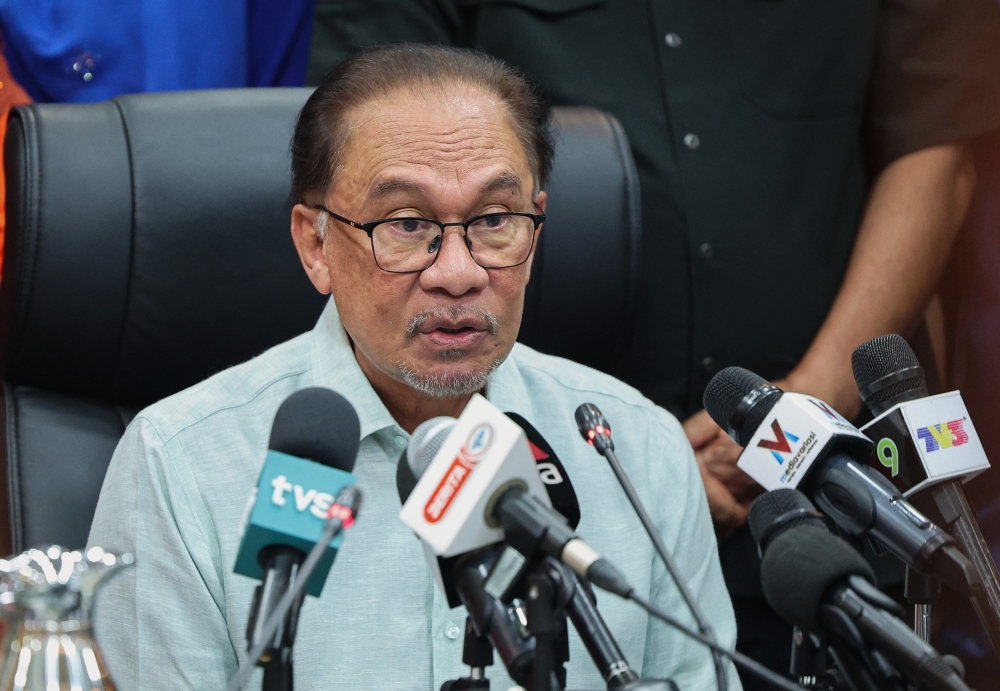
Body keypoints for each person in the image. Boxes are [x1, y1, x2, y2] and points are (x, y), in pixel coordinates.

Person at [307, 2, 1000, 681]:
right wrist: (622, 471)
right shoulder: (210, 463)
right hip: (551, 491)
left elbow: (938, 135)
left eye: (496, 221)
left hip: (825, 509)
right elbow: (381, 139)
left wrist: (794, 423)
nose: (456, 262)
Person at [87, 44, 740, 691]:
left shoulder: (633, 451)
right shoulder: (180, 464)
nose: (457, 273)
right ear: (315, 243)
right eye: (404, 223)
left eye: (493, 219)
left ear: (536, 232)